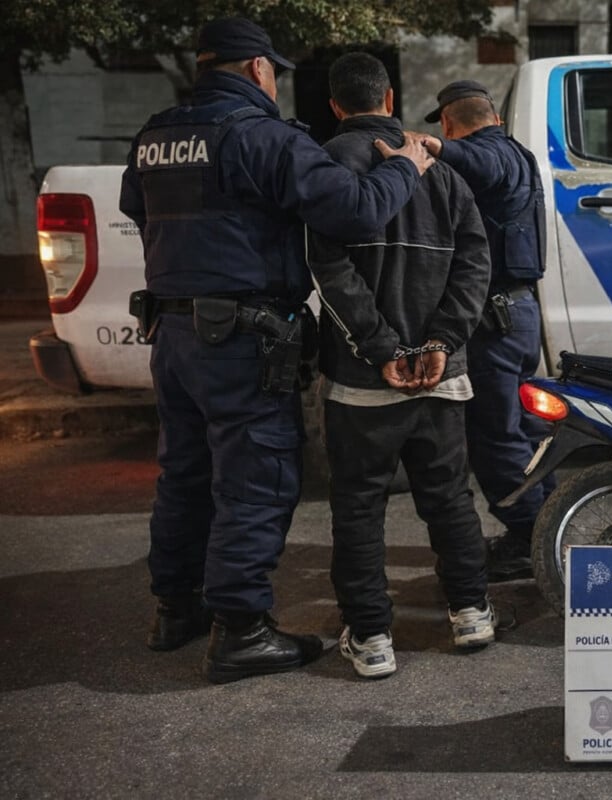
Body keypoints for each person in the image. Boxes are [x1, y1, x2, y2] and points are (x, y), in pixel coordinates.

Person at [118, 18, 434, 684]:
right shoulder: (262, 138)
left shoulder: (155, 137)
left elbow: (140, 212)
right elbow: (351, 211)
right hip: (239, 338)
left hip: (172, 336)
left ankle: (176, 610)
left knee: (185, 474)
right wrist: (405, 167)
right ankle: (240, 632)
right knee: (256, 481)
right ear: (259, 70)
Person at [305, 53, 495, 677]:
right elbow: (475, 263)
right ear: (389, 98)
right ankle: (471, 612)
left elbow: (327, 269)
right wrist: (441, 341)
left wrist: (383, 348)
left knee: (359, 507)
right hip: (445, 375)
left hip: (364, 382)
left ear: (336, 106)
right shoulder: (440, 169)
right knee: (448, 499)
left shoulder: (330, 165)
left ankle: (372, 637)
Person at [414, 80, 553, 581]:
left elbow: (482, 166)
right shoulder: (519, 152)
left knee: (496, 437)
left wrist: (434, 149)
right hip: (516, 313)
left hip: (496, 320)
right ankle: (543, 528)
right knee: (525, 430)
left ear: (449, 121)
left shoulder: (491, 154)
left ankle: (530, 537)